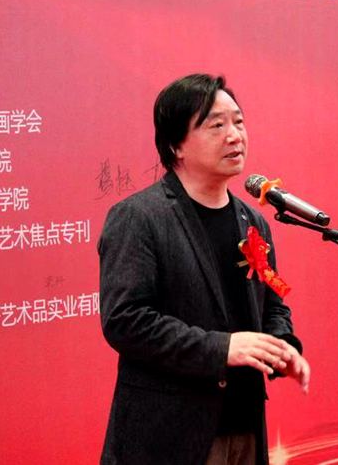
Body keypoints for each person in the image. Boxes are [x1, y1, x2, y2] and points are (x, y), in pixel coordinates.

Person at [98, 73, 311, 465]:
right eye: (216, 125)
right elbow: (125, 321)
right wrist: (222, 347)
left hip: (245, 425)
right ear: (176, 145)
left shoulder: (251, 220)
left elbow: (272, 301)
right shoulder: (139, 217)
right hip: (169, 434)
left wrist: (282, 344)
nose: (234, 136)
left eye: (239, 122)